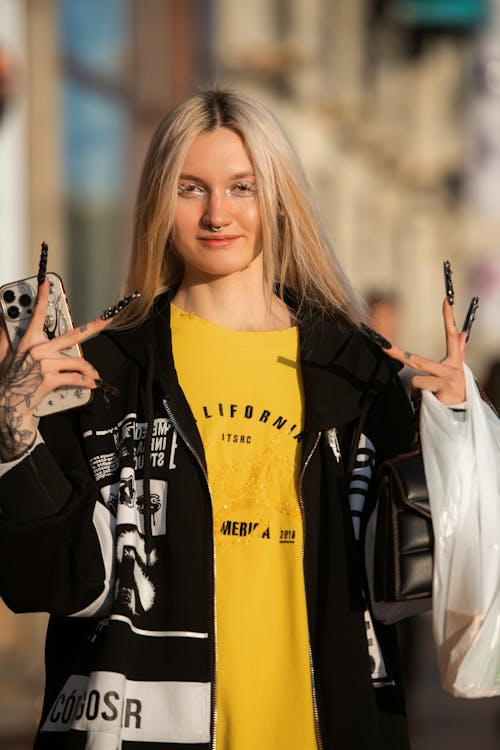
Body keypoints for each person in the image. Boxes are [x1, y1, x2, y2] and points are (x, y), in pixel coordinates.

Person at [0, 90, 468, 750]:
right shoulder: (104, 367)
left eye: (241, 187)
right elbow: (42, 582)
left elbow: (422, 584)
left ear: (277, 198)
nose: (218, 213)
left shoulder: (357, 370)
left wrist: (455, 440)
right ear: (159, 200)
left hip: (324, 726)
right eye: (191, 188)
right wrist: (13, 430)